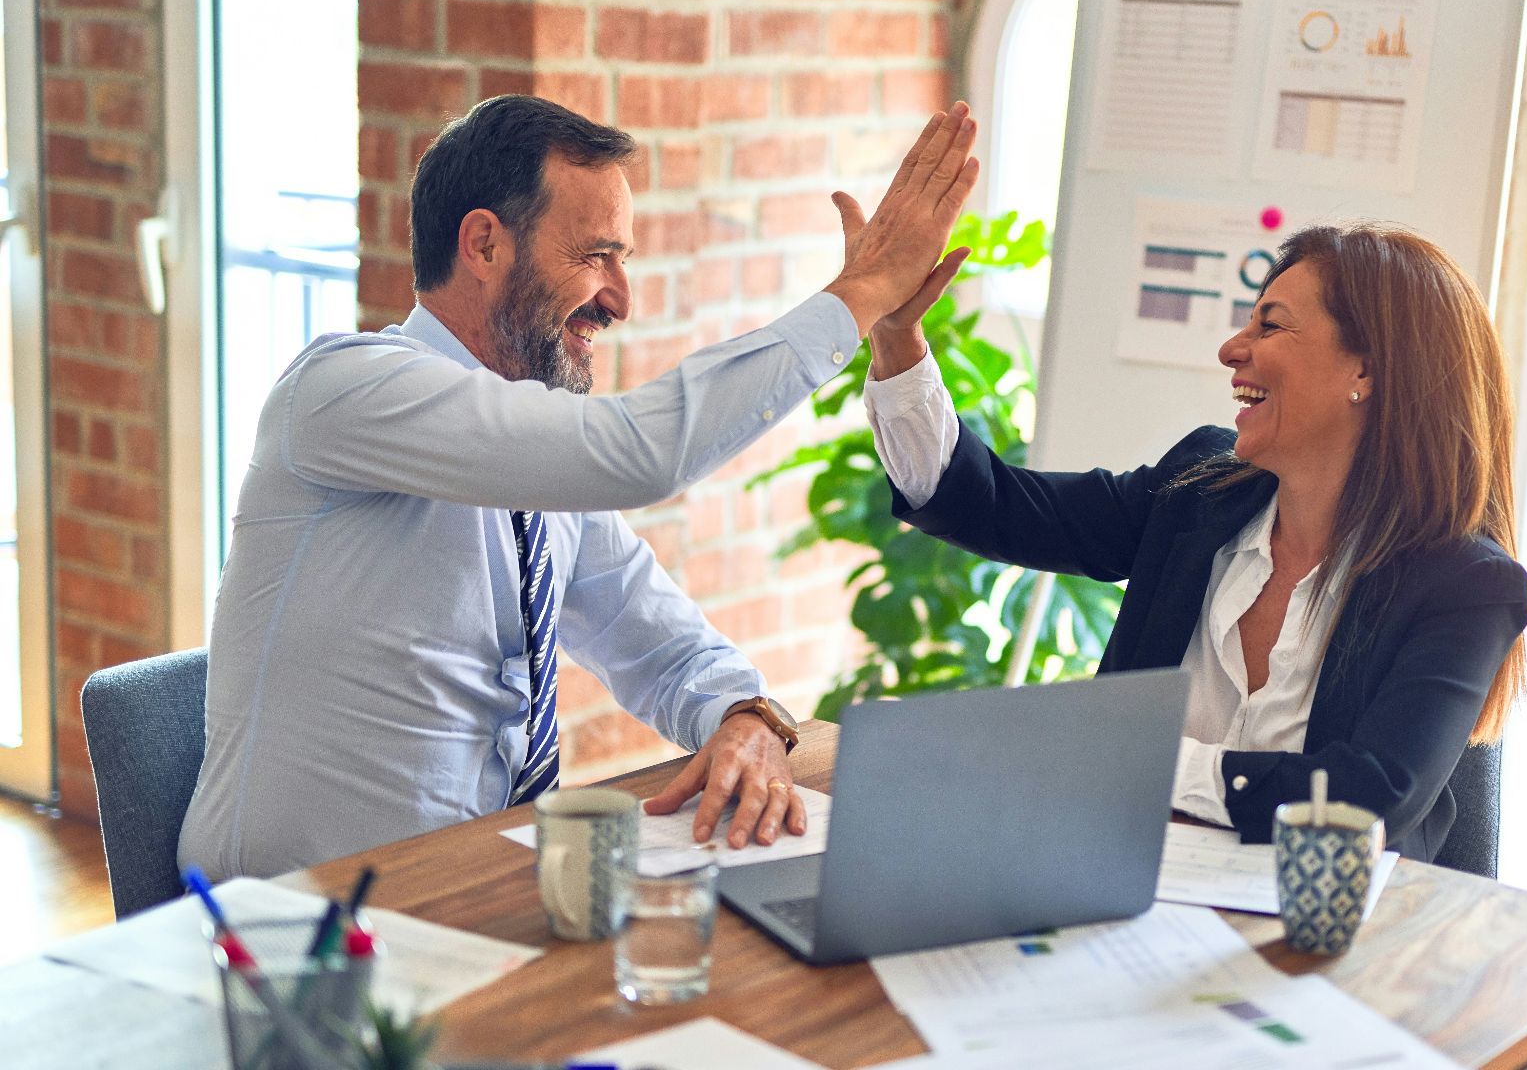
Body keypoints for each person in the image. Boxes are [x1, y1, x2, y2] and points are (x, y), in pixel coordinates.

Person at [179, 94, 979, 879]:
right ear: (485, 246)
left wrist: (745, 716)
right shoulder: (344, 391)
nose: (620, 299)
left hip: (475, 894)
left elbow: (661, 643)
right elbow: (640, 453)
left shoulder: (537, 469)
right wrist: (862, 293)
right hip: (293, 930)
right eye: (597, 255)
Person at [861, 223, 1527, 862]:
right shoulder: (1198, 493)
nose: (1232, 349)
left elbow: (1366, 800)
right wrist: (897, 338)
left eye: (1269, 325)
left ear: (1367, 370)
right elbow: (991, 505)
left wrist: (1140, 761)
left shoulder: (1466, 585)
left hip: (1329, 942)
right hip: (1124, 891)